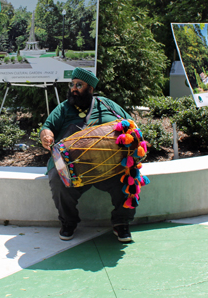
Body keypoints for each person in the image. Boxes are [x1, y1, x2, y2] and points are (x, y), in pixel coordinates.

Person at [40, 67, 138, 243]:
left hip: (108, 166)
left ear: (90, 89)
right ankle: (68, 222)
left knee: (129, 177)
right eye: (72, 84)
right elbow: (47, 127)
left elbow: (131, 125)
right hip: (72, 166)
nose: (74, 89)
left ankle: (121, 222)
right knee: (57, 178)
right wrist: (46, 135)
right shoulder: (63, 108)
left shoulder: (107, 104)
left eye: (79, 85)